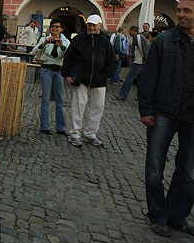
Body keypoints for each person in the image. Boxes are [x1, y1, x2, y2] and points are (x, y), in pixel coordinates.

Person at [138, 0, 194, 237]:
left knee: (189, 172)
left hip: (192, 116)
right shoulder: (164, 40)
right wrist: (146, 110)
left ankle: (177, 215)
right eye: (179, 10)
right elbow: (148, 77)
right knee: (154, 167)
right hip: (163, 112)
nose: (181, 14)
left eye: (187, 11)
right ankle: (157, 214)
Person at [61, 14, 117, 147]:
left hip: (99, 81)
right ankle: (75, 133)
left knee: (97, 108)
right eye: (89, 25)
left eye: (94, 25)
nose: (91, 27)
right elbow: (68, 58)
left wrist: (105, 75)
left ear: (100, 25)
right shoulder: (79, 40)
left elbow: (112, 61)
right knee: (78, 106)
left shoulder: (105, 41)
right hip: (81, 79)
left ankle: (91, 133)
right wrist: (67, 74)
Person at [32, 18, 70, 135]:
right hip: (46, 70)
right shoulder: (44, 39)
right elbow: (34, 52)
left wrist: (62, 46)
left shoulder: (66, 41)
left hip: (58, 71)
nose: (54, 28)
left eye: (57, 26)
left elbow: (69, 55)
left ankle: (61, 127)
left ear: (61, 29)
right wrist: (43, 44)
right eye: (52, 26)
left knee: (60, 100)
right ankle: (45, 126)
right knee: (45, 99)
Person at [118, 26, 148, 101]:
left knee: (129, 78)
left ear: (133, 30)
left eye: (129, 31)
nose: (128, 33)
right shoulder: (139, 37)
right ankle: (141, 97)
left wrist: (144, 60)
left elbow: (143, 50)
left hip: (138, 62)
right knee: (140, 81)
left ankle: (123, 95)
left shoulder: (138, 37)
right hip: (140, 62)